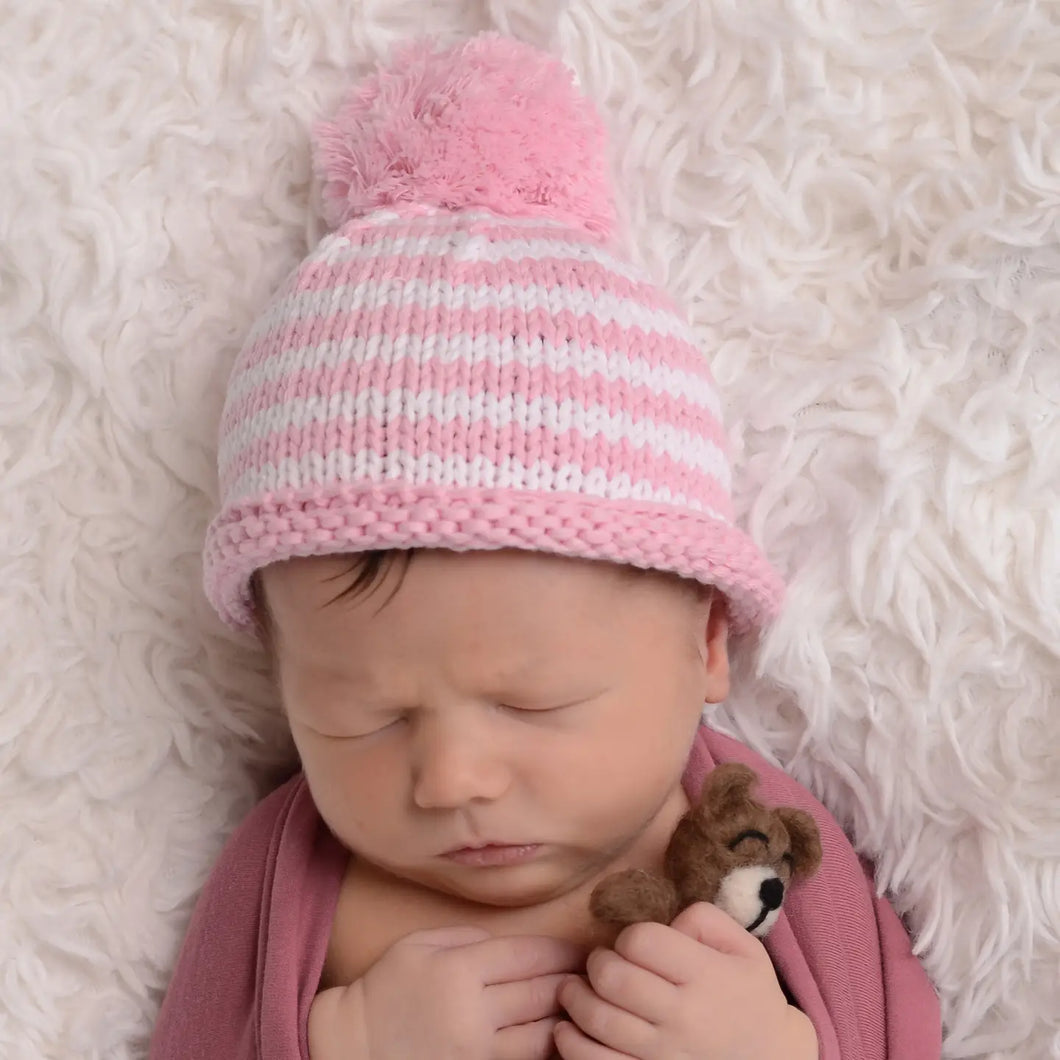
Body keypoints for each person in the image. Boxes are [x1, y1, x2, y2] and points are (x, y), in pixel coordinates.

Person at [150, 32, 941, 1060]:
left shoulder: (763, 841)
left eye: (535, 703)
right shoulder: (291, 875)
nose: (453, 777)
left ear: (705, 644)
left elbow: (901, 1032)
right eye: (363, 717)